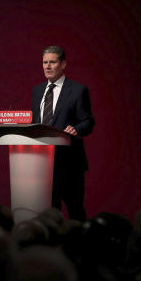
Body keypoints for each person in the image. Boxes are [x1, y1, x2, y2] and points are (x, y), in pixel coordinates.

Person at [32, 46, 95, 221]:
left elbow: (88, 121)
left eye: (52, 62)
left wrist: (77, 129)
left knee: (75, 212)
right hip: (43, 163)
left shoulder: (77, 90)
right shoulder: (37, 91)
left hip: (69, 163)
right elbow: (36, 123)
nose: (47, 66)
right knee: (49, 215)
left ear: (63, 64)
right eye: (45, 62)